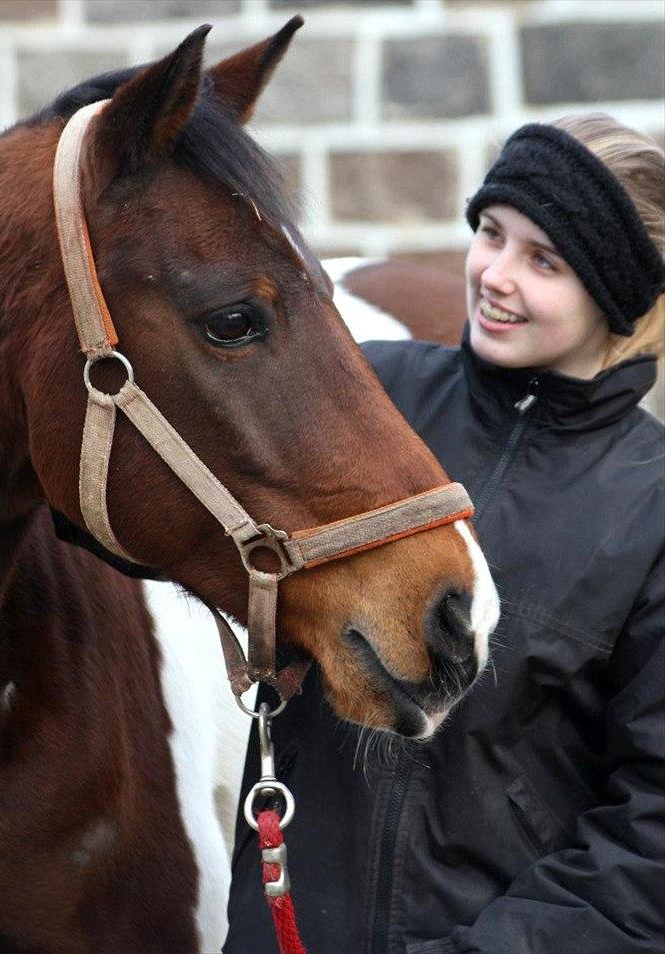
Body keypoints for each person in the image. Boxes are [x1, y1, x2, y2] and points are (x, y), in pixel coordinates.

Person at [224, 113, 665, 954]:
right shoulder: (371, 397)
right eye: (490, 234)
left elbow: (648, 846)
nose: (495, 275)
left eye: (545, 261)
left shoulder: (650, 507)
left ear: (614, 287)